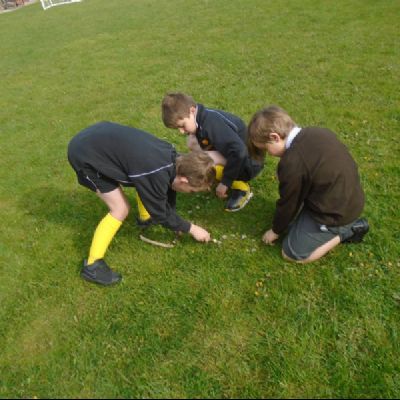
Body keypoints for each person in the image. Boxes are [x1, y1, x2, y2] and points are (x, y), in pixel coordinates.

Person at [68, 121, 215, 285]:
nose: (190, 193)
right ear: (184, 180)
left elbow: (163, 188)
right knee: (120, 209)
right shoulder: (154, 171)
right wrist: (191, 228)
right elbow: (160, 212)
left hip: (98, 137)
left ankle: (145, 218)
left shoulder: (174, 159)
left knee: (144, 183)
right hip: (85, 154)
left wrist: (175, 221)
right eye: (192, 191)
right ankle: (92, 265)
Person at [247, 105, 369, 263]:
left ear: (275, 137)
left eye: (266, 148)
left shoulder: (292, 163)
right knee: (294, 226)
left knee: (291, 253)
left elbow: (289, 203)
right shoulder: (317, 132)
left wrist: (276, 230)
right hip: (351, 199)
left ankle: (348, 231)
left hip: (335, 215)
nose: (269, 154)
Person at [161, 92, 263, 212]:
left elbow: (239, 152)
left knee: (206, 158)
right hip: (241, 155)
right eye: (178, 128)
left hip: (249, 165)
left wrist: (226, 182)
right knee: (192, 142)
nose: (181, 131)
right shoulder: (202, 117)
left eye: (182, 125)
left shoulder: (211, 124)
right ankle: (213, 174)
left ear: (192, 111)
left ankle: (240, 186)